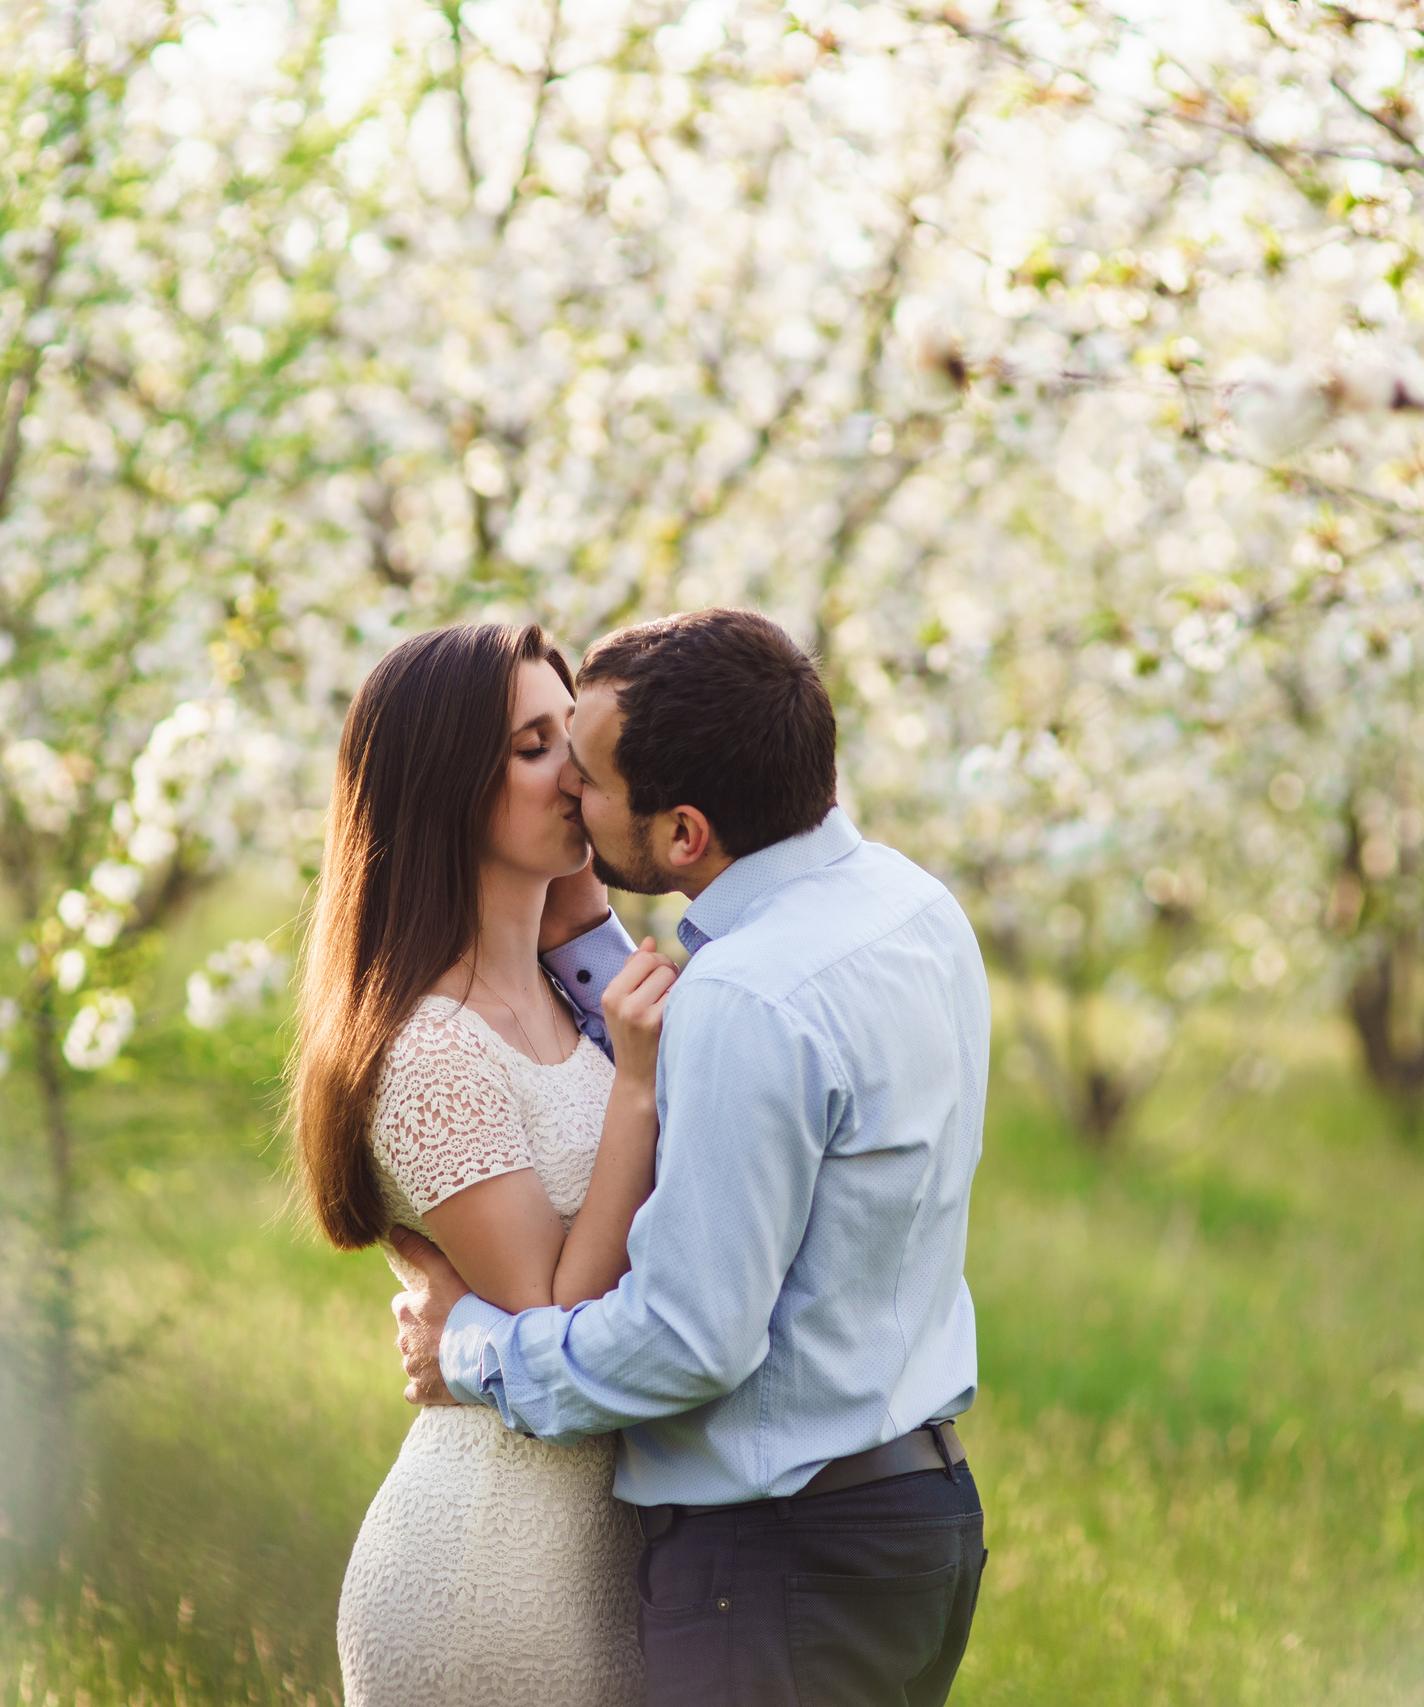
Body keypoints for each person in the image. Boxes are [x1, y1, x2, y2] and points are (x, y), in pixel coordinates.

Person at [388, 607, 994, 1707]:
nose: (568, 787)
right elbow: (723, 1056)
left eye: (586, 771)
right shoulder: (911, 906)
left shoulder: (747, 999)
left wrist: (471, 1345)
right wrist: (581, 936)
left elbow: (683, 1344)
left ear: (681, 837)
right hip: (920, 1522)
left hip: (779, 1566)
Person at [292, 621, 679, 1705]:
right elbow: (551, 1316)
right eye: (533, 746)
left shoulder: (565, 994)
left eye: (577, 734)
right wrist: (638, 1088)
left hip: (598, 1561)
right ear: (444, 789)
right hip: (491, 1576)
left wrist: (587, 928)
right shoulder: (428, 1047)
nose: (581, 770)